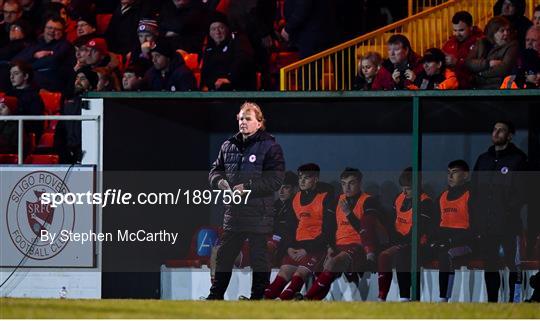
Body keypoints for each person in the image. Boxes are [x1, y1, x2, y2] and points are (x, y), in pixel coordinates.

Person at [206, 102, 285, 300]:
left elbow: (275, 181)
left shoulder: (271, 147)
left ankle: (257, 300)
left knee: (260, 260)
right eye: (241, 118)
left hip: (259, 214)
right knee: (224, 257)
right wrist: (220, 181)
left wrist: (247, 187)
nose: (243, 122)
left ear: (259, 123)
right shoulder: (227, 145)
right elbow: (214, 171)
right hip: (234, 213)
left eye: (248, 119)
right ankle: (215, 297)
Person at [302, 167, 383, 300]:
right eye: (344, 184)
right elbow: (329, 228)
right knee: (318, 263)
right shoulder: (337, 201)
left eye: (351, 183)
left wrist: (349, 214)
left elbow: (367, 230)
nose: (347, 187)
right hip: (338, 246)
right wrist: (329, 248)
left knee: (333, 263)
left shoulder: (368, 201)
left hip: (358, 245)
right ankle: (312, 301)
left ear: (360, 183)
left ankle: (307, 297)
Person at [472, 120, 528, 302]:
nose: (496, 133)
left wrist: (506, 211)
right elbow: (474, 191)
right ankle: (492, 304)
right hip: (487, 226)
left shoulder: (518, 159)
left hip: (509, 225)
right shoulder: (483, 159)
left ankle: (516, 303)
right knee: (491, 266)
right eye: (494, 129)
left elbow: (523, 193)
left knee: (513, 266)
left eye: (501, 130)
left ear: (509, 136)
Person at [263, 163, 335, 300]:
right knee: (283, 273)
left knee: (299, 274)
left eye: (306, 178)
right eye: (300, 177)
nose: (302, 181)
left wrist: (306, 249)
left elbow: (329, 231)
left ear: (316, 179)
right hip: (296, 247)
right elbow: (289, 229)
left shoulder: (325, 198)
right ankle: (262, 299)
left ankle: (282, 300)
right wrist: (289, 247)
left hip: (315, 248)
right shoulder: (294, 199)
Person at [377, 167, 434, 301]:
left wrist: (400, 244)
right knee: (382, 255)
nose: (404, 191)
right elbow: (392, 223)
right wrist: (394, 241)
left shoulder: (425, 202)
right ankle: (381, 297)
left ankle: (404, 298)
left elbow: (419, 230)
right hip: (400, 242)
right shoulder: (399, 198)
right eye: (402, 187)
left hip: (418, 245)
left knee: (402, 255)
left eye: (408, 188)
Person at [431, 160, 475, 302]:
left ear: (466, 175)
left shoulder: (471, 196)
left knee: (446, 254)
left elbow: (475, 229)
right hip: (444, 241)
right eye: (448, 173)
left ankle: (444, 298)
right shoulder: (441, 197)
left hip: (466, 244)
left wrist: (451, 241)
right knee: (414, 251)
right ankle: (407, 299)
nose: (450, 176)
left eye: (454, 172)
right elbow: (435, 225)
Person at [13, 16, 75, 93]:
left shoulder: (65, 45)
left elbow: (53, 62)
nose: (52, 31)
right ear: (44, 29)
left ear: (62, 32)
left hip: (51, 81)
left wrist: (29, 66)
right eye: (49, 28)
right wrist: (34, 55)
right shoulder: (35, 44)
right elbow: (15, 60)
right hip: (30, 79)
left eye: (57, 29)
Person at [200, 13, 256, 91]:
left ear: (227, 28)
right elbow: (205, 71)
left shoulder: (238, 40)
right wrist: (204, 85)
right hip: (213, 90)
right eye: (213, 29)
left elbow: (243, 60)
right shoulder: (209, 48)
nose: (217, 32)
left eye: (221, 28)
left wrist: (230, 78)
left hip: (236, 88)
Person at [465, 16, 519, 89]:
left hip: (497, 87)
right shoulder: (481, 42)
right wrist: (488, 63)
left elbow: (504, 68)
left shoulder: (512, 45)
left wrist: (480, 73)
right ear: (493, 32)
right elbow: (469, 62)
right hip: (477, 86)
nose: (506, 33)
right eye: (502, 31)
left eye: (508, 30)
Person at [442, 11, 484, 89]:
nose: (457, 34)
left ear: (471, 27)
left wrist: (457, 62)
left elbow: (481, 66)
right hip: (451, 87)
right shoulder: (449, 43)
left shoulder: (481, 42)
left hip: (474, 88)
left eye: (461, 30)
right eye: (455, 30)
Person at [268, 170, 298, 267]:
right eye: (279, 187)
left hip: (289, 245)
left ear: (294, 189)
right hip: (272, 240)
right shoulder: (274, 205)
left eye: (285, 187)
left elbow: (291, 231)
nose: (280, 191)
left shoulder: (298, 206)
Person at [8, 60, 44, 141]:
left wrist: (10, 115)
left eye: (16, 73)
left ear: (26, 76)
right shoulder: (8, 94)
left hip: (24, 136)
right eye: (11, 74)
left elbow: (35, 124)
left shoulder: (34, 97)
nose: (11, 77)